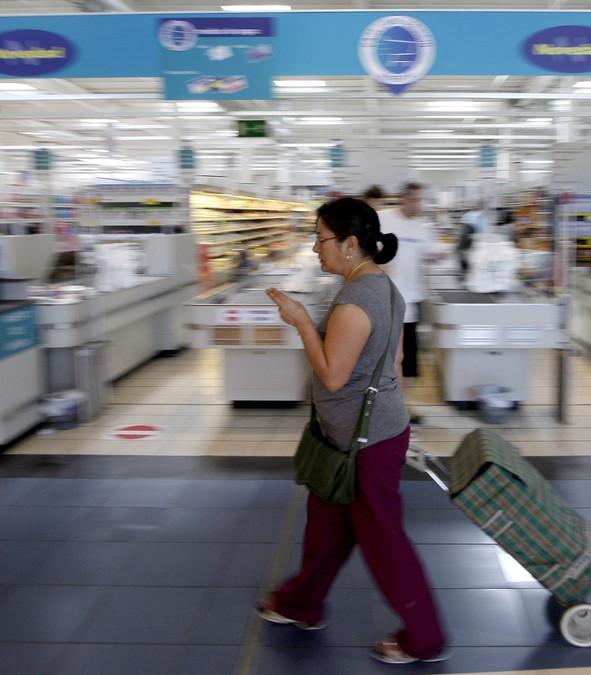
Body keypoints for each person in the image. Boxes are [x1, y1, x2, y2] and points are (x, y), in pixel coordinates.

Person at [261, 197, 449, 665]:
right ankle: (299, 603)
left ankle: (424, 636)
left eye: (321, 239)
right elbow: (397, 361)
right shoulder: (386, 288)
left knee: (383, 540)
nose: (314, 249)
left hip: (364, 446)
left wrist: (302, 322)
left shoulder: (354, 301)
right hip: (360, 437)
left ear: (349, 243)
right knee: (326, 529)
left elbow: (332, 376)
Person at [378, 182, 438, 424]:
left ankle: (407, 402)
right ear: (405, 199)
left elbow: (430, 252)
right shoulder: (384, 219)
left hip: (411, 302)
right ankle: (387, 401)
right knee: (388, 354)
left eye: (421, 200)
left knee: (409, 356)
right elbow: (366, 242)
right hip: (385, 299)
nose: (419, 205)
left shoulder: (422, 228)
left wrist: (439, 253)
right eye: (416, 200)